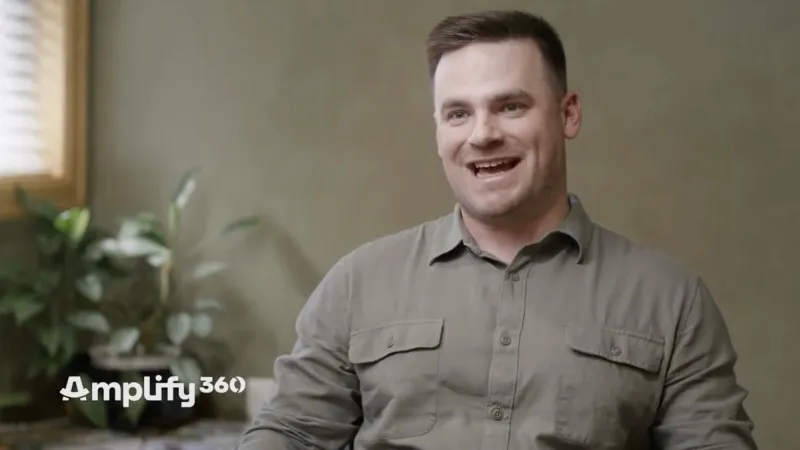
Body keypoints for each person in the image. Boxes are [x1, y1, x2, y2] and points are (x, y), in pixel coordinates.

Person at [237, 9, 757, 450]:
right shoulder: (357, 283)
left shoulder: (671, 301)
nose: (483, 134)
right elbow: (290, 434)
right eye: (458, 113)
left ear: (567, 113)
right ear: (438, 131)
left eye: (510, 106)